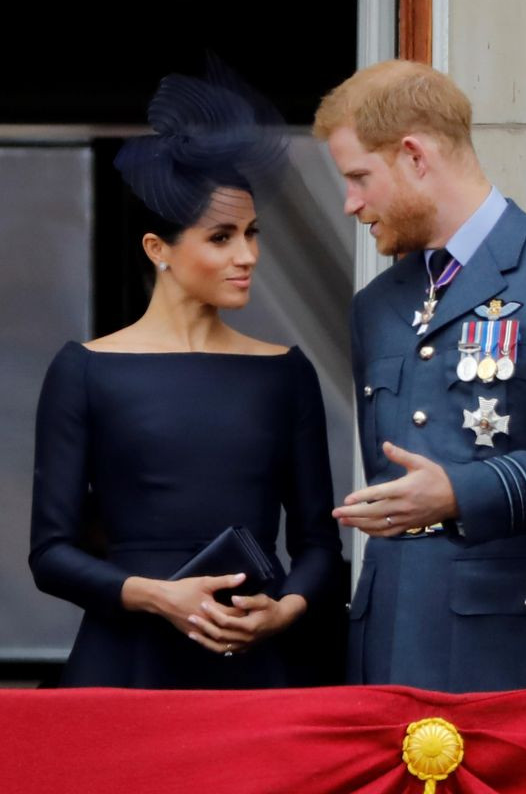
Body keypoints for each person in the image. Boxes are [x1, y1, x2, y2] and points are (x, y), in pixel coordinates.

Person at [28, 66, 343, 688]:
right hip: (129, 662)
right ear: (158, 249)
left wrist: (285, 611)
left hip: (258, 663)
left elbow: (319, 547)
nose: (247, 255)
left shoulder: (286, 373)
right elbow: (50, 556)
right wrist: (154, 595)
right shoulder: (86, 369)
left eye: (252, 234)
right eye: (221, 237)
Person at [314, 60, 526, 691]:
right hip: (389, 625)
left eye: (360, 177)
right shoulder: (376, 304)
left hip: (515, 632)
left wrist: (460, 493)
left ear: (414, 156)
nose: (351, 202)